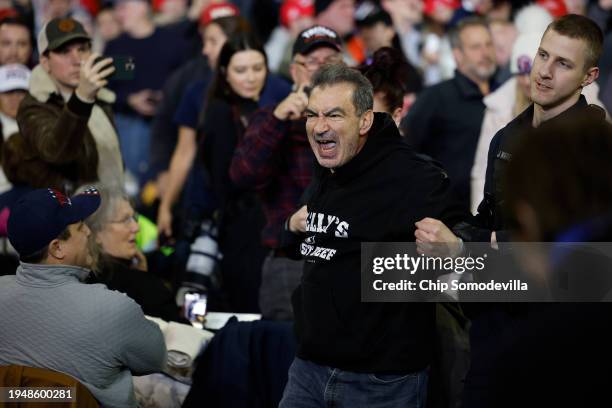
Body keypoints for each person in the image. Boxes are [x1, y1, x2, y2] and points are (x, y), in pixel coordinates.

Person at [279, 64, 458, 407]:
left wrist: (458, 249)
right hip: (308, 369)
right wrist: (290, 228)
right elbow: (305, 243)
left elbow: (469, 263)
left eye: (333, 114)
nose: (319, 126)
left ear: (364, 121)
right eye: (312, 115)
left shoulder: (415, 177)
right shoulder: (330, 165)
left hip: (381, 382)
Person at [0, 187, 167, 407]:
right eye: (80, 227)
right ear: (57, 248)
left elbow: (15, 392)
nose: (89, 232)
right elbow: (158, 358)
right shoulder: (111, 308)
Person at [230, 25, 342, 320]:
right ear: (295, 72)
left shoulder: (360, 123)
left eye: (330, 62)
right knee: (283, 355)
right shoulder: (270, 118)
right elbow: (243, 174)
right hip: (291, 259)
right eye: (312, 62)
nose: (322, 70)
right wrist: (280, 119)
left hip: (346, 259)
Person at [470, 29, 606, 213]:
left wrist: (481, 240)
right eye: (542, 55)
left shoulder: (596, 148)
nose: (544, 71)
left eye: (563, 63)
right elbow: (488, 213)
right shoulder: (504, 136)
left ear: (588, 76)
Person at [200, 31, 271, 312]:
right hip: (238, 230)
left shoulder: (258, 109)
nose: (251, 77)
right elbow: (224, 182)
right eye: (241, 70)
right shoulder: (220, 113)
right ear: (224, 73)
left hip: (258, 227)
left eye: (258, 68)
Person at [12, 17, 123, 193]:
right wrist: (82, 98)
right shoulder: (34, 106)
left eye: (82, 49)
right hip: (72, 214)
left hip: (113, 204)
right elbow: (56, 152)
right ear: (45, 62)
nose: (77, 60)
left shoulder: (101, 97)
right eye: (64, 52)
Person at [402, 16, 497, 214]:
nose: (485, 52)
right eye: (475, 47)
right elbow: (405, 151)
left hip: (494, 218)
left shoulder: (506, 94)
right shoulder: (436, 97)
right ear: (457, 55)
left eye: (489, 44)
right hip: (447, 217)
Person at [83, 184, 184, 322]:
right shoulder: (146, 290)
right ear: (96, 233)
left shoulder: (72, 281)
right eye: (125, 220)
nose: (136, 227)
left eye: (134, 218)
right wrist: (144, 281)